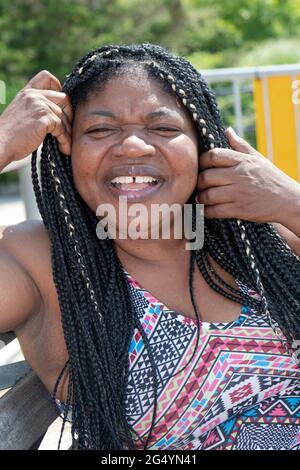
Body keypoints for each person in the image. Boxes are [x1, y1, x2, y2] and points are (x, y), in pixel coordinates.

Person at [0, 43, 300, 451]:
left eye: (163, 128)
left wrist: (291, 201)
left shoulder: (253, 240)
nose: (133, 147)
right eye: (101, 130)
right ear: (67, 149)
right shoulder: (43, 261)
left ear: (202, 145)